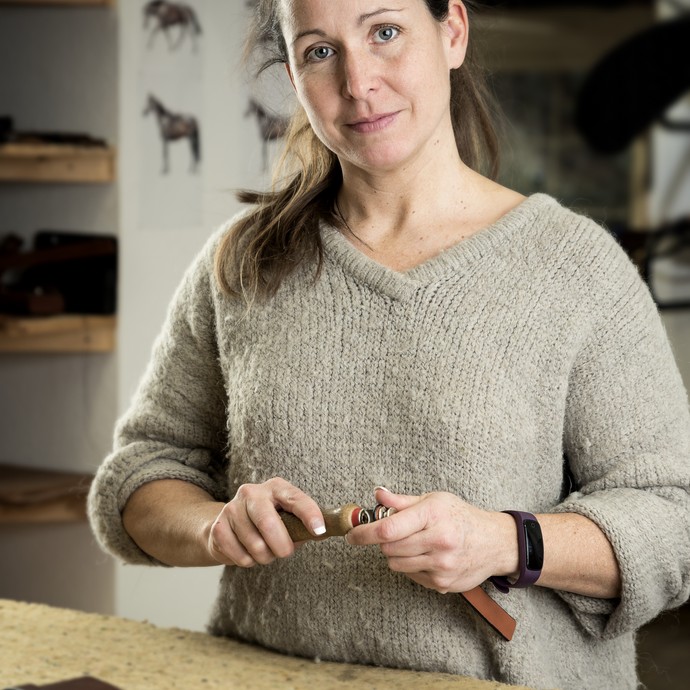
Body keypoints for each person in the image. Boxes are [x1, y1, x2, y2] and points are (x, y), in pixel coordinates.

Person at [88, 1, 690, 688]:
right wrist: (211, 527)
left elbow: (676, 521)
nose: (358, 82)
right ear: (291, 72)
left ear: (452, 31)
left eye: (385, 33)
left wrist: (504, 542)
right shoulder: (242, 264)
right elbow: (138, 476)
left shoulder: (577, 270)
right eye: (319, 51)